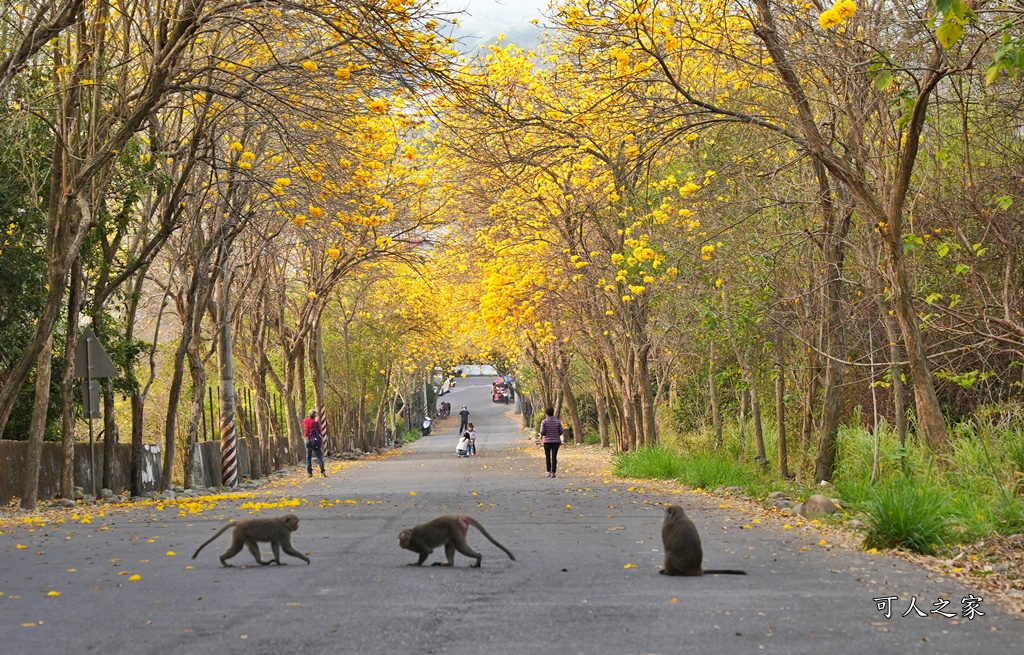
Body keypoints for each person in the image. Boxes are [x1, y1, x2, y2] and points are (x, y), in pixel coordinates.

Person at [302, 409, 327, 478]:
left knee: (308, 457)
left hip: (307, 439)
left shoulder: (305, 421)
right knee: (319, 456)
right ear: (315, 415)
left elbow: (304, 426)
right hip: (314, 440)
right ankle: (323, 471)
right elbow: (319, 432)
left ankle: (309, 473)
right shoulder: (316, 422)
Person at [539, 407, 563, 478]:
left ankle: (548, 471)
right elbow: (561, 432)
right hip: (556, 441)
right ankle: (553, 472)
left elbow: (542, 432)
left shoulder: (544, 422)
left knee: (548, 456)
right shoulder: (557, 421)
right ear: (553, 413)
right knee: (554, 456)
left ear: (546, 414)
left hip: (547, 442)